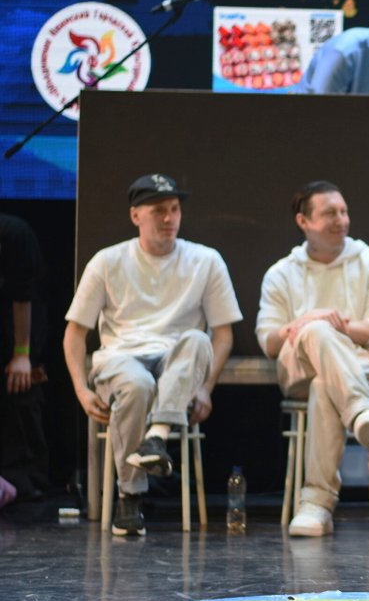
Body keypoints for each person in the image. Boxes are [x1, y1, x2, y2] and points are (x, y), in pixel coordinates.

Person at [63, 175, 242, 536]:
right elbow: (75, 333)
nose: (169, 218)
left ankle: (156, 435)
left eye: (174, 209)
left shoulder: (205, 260)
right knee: (138, 384)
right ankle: (130, 495)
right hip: (122, 357)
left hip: (177, 364)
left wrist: (205, 388)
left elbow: (222, 334)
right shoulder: (108, 261)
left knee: (198, 338)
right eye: (159, 210)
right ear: (136, 216)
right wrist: (82, 390)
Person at [256, 181, 369, 537]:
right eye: (330, 214)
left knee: (325, 385)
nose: (341, 220)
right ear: (303, 221)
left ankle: (316, 505)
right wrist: (308, 321)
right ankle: (362, 411)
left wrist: (339, 325)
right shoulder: (281, 273)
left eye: (344, 211)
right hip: (298, 371)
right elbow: (269, 341)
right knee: (316, 331)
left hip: (360, 369)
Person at [1, 213, 50, 502]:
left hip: (17, 324)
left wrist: (22, 353)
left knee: (20, 383)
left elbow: (23, 295)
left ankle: (22, 478)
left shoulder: (13, 233)